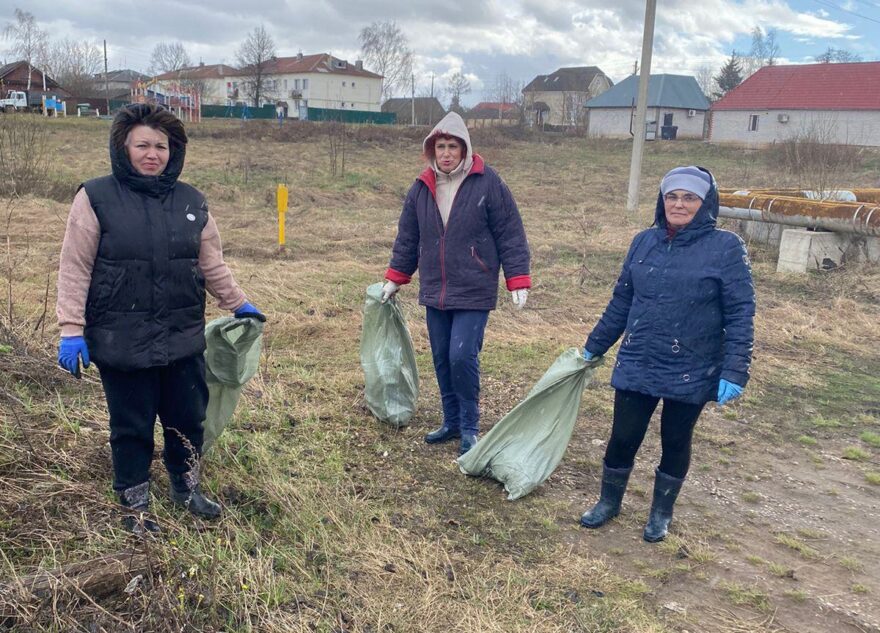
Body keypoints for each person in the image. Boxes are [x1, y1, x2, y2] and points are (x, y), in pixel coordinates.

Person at [56, 103, 265, 533]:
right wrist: (71, 330)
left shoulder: (192, 201)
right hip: (121, 340)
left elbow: (211, 264)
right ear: (123, 148)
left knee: (187, 417)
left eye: (161, 146)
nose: (152, 154)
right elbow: (74, 267)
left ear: (174, 151)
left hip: (181, 336)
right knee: (131, 425)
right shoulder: (95, 198)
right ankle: (134, 504)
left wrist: (238, 303)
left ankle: (186, 487)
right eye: (142, 145)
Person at [580, 166, 755, 542]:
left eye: (689, 197)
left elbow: (741, 312)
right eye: (672, 196)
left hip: (693, 364)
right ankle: (608, 502)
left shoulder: (726, 248)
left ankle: (661, 513)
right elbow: (621, 301)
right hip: (639, 357)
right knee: (623, 436)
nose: (679, 204)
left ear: (705, 203)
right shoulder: (644, 242)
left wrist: (735, 369)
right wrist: (594, 346)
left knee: (675, 439)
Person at [381, 112, 531, 457]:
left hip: (474, 287)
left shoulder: (487, 181)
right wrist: (395, 277)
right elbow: (408, 237)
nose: (446, 153)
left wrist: (517, 278)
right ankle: (450, 421)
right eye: (440, 146)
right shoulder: (421, 187)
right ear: (431, 151)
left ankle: (469, 427)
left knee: (462, 355)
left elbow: (510, 231)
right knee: (441, 357)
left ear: (465, 149)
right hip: (436, 288)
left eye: (452, 146)